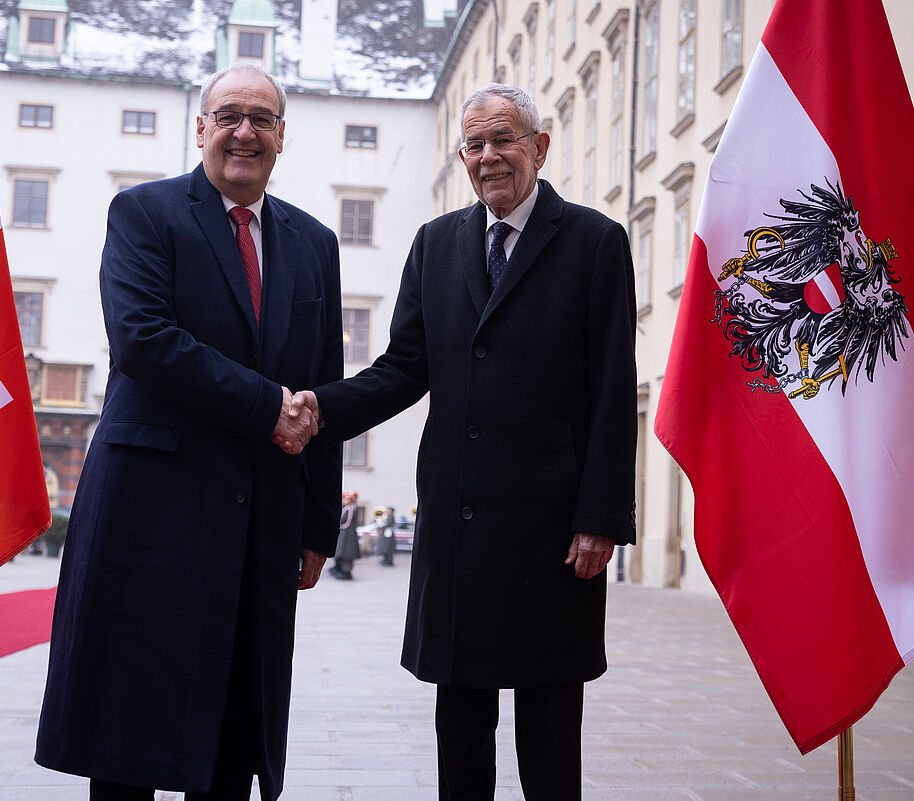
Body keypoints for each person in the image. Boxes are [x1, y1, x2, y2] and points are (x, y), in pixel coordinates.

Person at [291, 83, 636, 800]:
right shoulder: (437, 242)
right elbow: (403, 370)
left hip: (553, 535)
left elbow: (612, 390)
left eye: (503, 139)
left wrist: (600, 517)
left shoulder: (595, 242)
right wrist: (318, 409)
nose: (488, 157)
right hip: (462, 527)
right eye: (474, 144)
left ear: (540, 148)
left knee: (548, 735)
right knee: (461, 730)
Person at [35, 63, 343, 801]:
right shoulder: (144, 213)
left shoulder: (315, 242)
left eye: (262, 118)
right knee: (128, 738)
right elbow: (143, 340)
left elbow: (322, 389)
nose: (245, 131)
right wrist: (268, 405)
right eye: (229, 115)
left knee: (234, 740)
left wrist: (317, 523)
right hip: (150, 516)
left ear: (281, 137)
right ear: (200, 128)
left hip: (257, 521)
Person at [330, 491, 360, 579]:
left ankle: (346, 571)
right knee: (341, 553)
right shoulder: (347, 507)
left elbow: (343, 520)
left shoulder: (351, 508)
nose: (343, 500)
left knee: (346, 553)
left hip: (348, 534)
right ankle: (340, 568)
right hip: (344, 533)